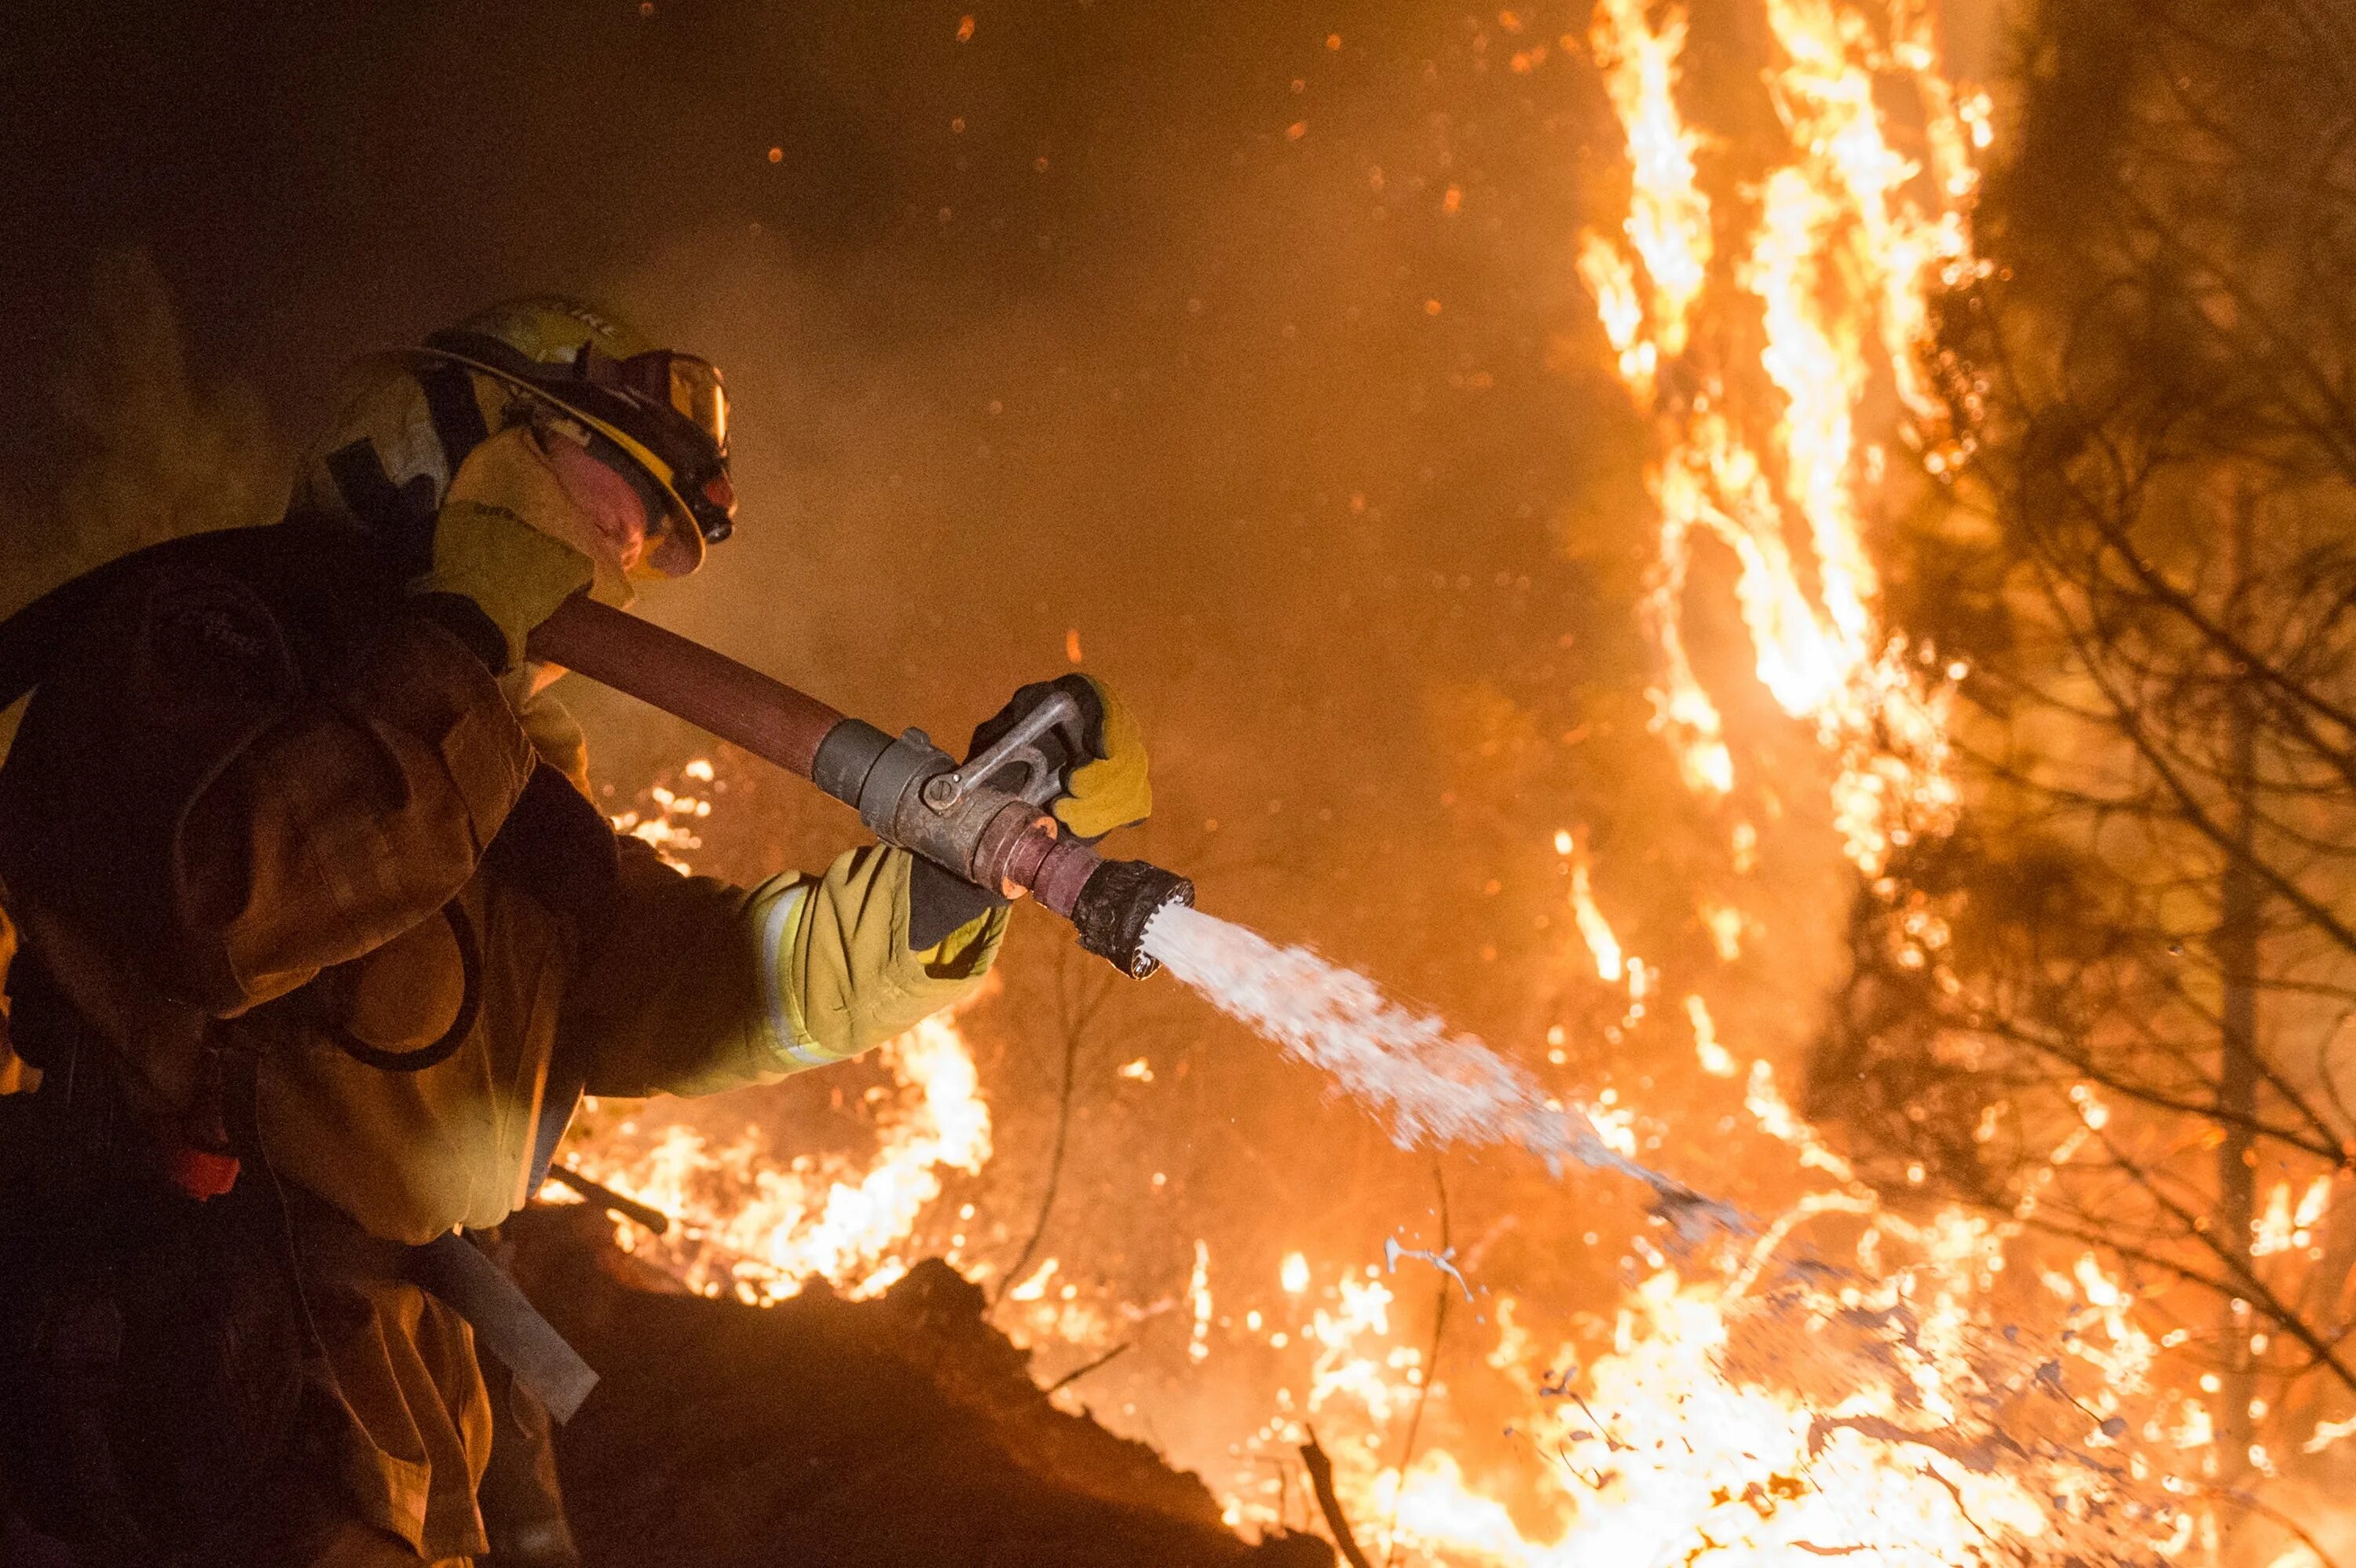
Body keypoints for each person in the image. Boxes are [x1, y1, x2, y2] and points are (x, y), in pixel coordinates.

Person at [0, 297, 1151, 1566]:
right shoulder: (204, 639)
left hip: (409, 1394)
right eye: (609, 494)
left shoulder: (511, 780)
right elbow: (222, 909)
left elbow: (706, 986)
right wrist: (459, 643)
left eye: (646, 541)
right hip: (175, 1376)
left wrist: (941, 890)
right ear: (454, 435)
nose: (619, 555)